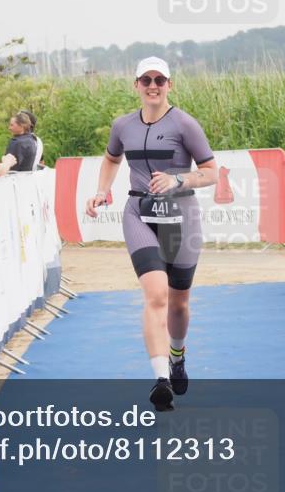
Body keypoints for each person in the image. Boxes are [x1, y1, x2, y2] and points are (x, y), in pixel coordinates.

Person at [85, 57, 217, 411]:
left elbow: (211, 172)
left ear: (170, 85)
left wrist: (178, 179)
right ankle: (161, 379)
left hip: (180, 216)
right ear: (136, 85)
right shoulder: (122, 125)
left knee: (178, 302)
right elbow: (112, 158)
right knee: (156, 294)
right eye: (146, 80)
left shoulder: (185, 124)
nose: (153, 85)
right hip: (139, 213)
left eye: (160, 79)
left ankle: (177, 355)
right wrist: (102, 190)